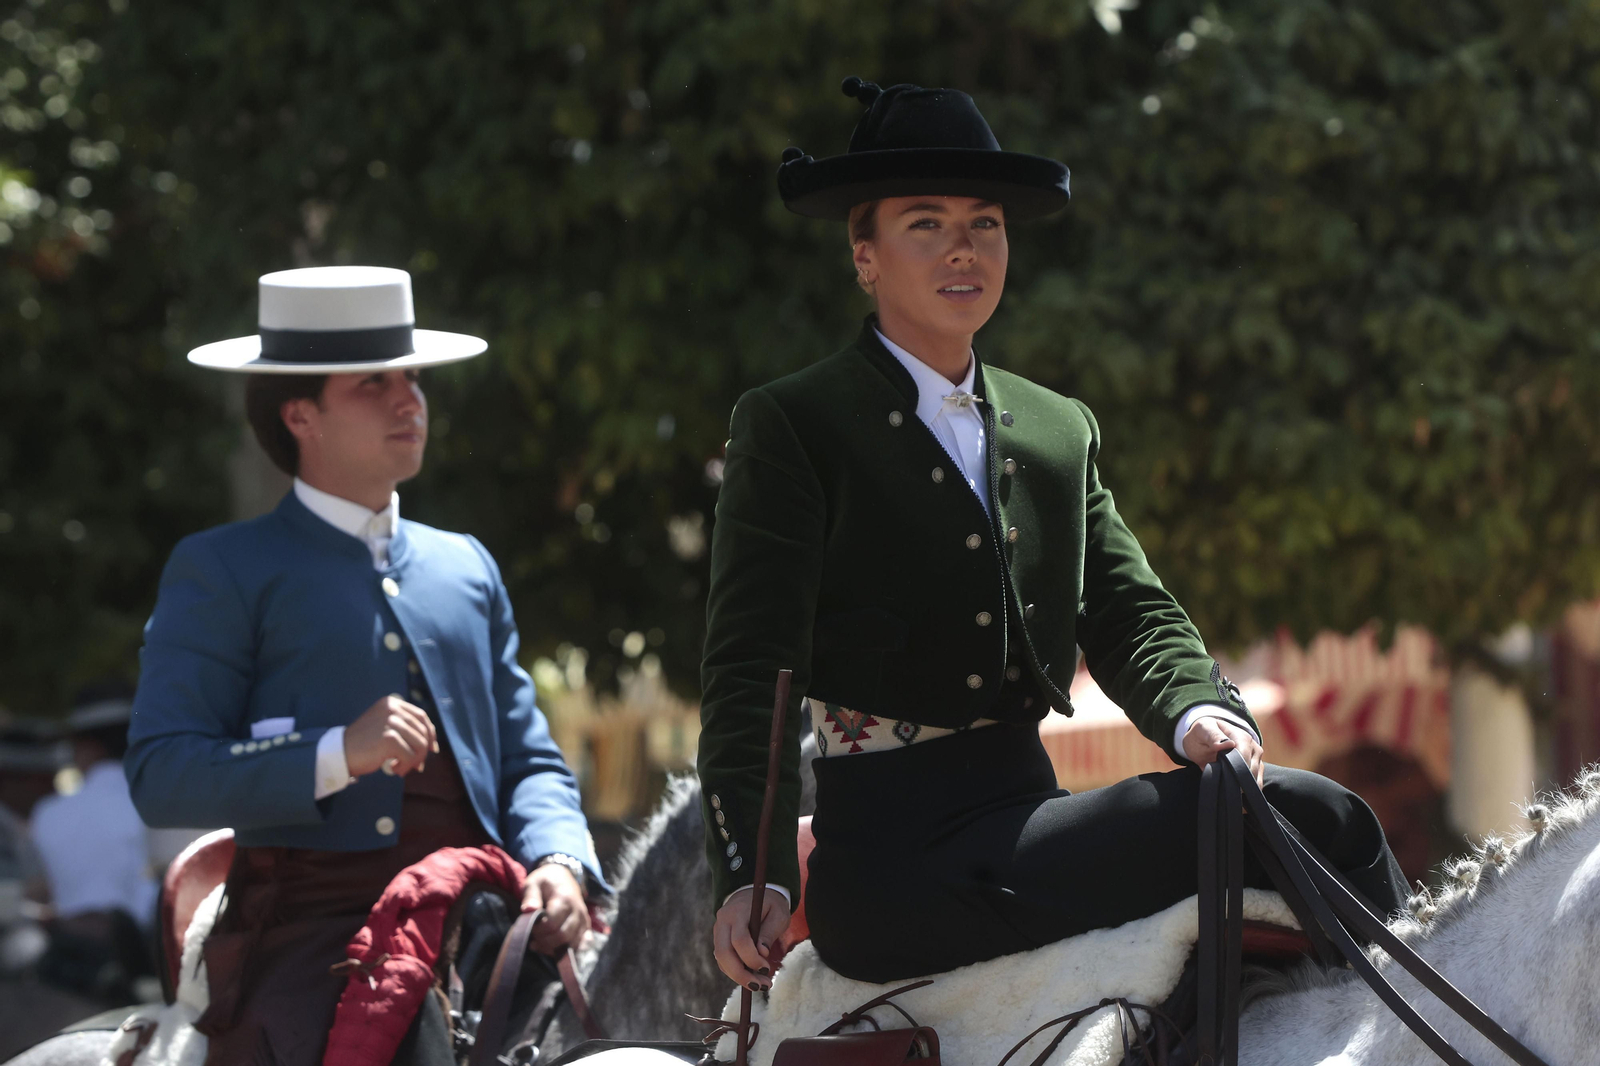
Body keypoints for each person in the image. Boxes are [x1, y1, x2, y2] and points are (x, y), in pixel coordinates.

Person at [699, 79, 1409, 988]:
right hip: (892, 869)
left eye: (985, 224)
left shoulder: (1055, 426)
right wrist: (747, 873)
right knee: (1318, 817)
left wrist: (1201, 714)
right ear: (864, 253)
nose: (964, 248)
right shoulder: (794, 423)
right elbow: (749, 669)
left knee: (1282, 803)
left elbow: (1127, 608)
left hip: (1032, 821)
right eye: (927, 223)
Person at [127, 266, 606, 1064]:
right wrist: (332, 754)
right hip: (317, 937)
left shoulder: (467, 566)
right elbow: (162, 771)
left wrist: (561, 859)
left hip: (488, 913)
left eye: (413, 378)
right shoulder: (223, 568)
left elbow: (529, 761)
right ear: (299, 413)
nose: (408, 400)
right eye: (373, 383)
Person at [29, 686, 158, 1002]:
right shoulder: (161, 802)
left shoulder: (48, 813)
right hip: (149, 961)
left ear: (85, 746)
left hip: (71, 969)